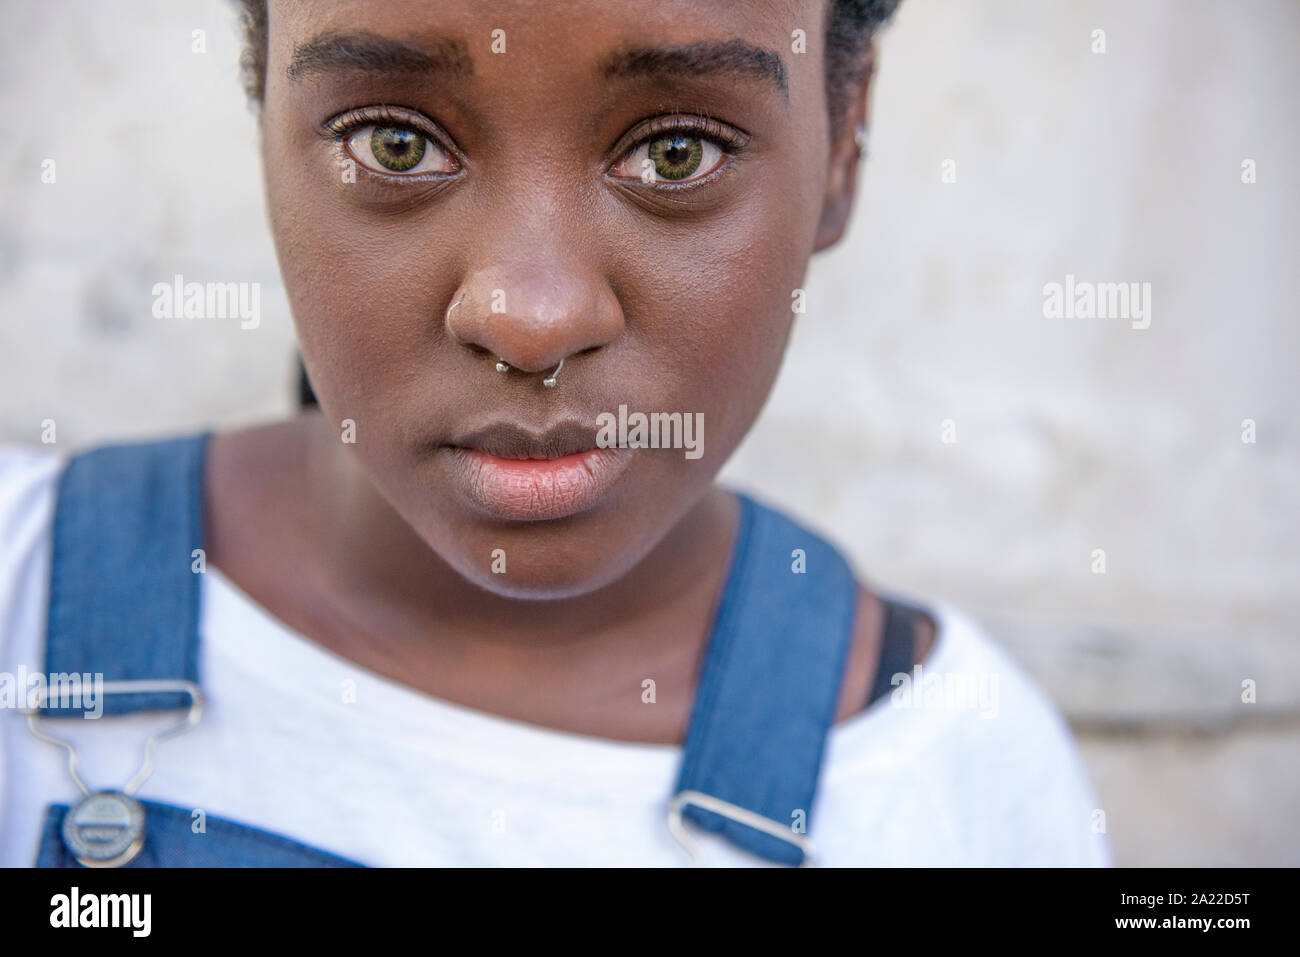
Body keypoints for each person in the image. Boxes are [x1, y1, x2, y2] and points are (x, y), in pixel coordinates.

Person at [0, 0, 1111, 867]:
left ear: (843, 145)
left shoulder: (954, 775)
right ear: (261, 117)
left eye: (676, 153)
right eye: (394, 142)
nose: (528, 318)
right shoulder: (21, 587)